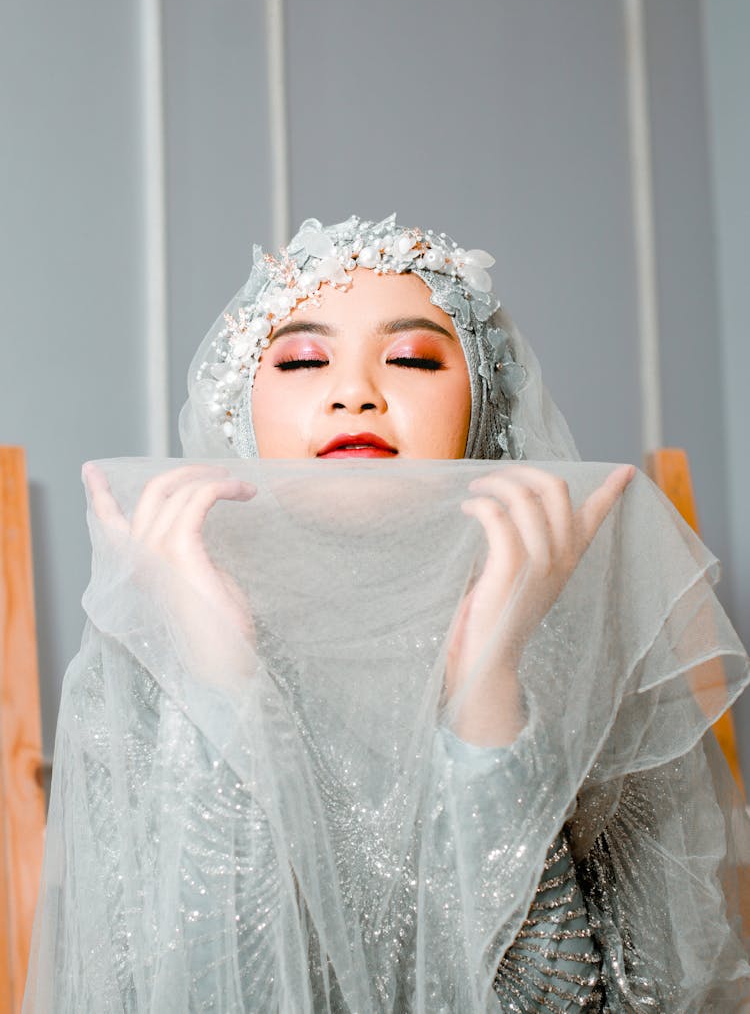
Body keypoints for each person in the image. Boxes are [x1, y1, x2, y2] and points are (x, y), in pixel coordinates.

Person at [24, 215, 750, 1011]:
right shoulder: (152, 660)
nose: (354, 392)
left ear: (485, 412)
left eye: (409, 357)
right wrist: (220, 684)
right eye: (302, 358)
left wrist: (488, 690)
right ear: (240, 414)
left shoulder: (587, 651)